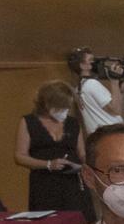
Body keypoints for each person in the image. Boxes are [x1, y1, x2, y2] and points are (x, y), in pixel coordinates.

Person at [15, 80, 86, 215]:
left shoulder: (73, 123)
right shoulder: (28, 122)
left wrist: (83, 166)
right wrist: (48, 164)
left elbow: (82, 153)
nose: (64, 111)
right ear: (47, 104)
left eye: (67, 107)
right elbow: (19, 156)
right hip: (43, 184)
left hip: (72, 183)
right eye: (60, 107)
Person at [69, 47, 124, 132]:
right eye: (91, 60)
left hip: (100, 135)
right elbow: (115, 110)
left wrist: (119, 88)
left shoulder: (80, 87)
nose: (94, 62)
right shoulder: (92, 84)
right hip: (111, 134)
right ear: (82, 66)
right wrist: (114, 81)